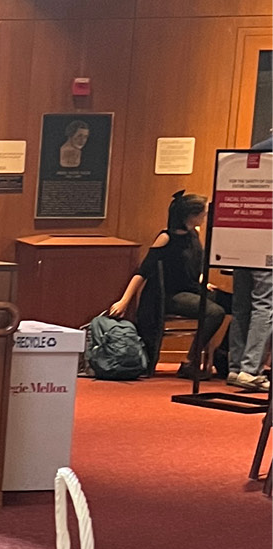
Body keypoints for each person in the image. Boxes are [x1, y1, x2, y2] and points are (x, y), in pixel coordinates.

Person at [110, 191, 231, 380]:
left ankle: (223, 354)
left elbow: (191, 266)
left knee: (239, 304)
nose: (206, 217)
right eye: (203, 213)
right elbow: (143, 272)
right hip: (170, 295)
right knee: (214, 312)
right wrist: (124, 300)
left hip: (192, 289)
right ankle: (190, 362)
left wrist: (202, 280)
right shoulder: (166, 238)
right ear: (191, 215)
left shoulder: (194, 234)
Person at [226, 136, 273, 392]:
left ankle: (235, 368)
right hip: (267, 239)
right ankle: (250, 369)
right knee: (264, 305)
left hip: (238, 237)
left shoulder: (252, 153)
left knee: (241, 305)